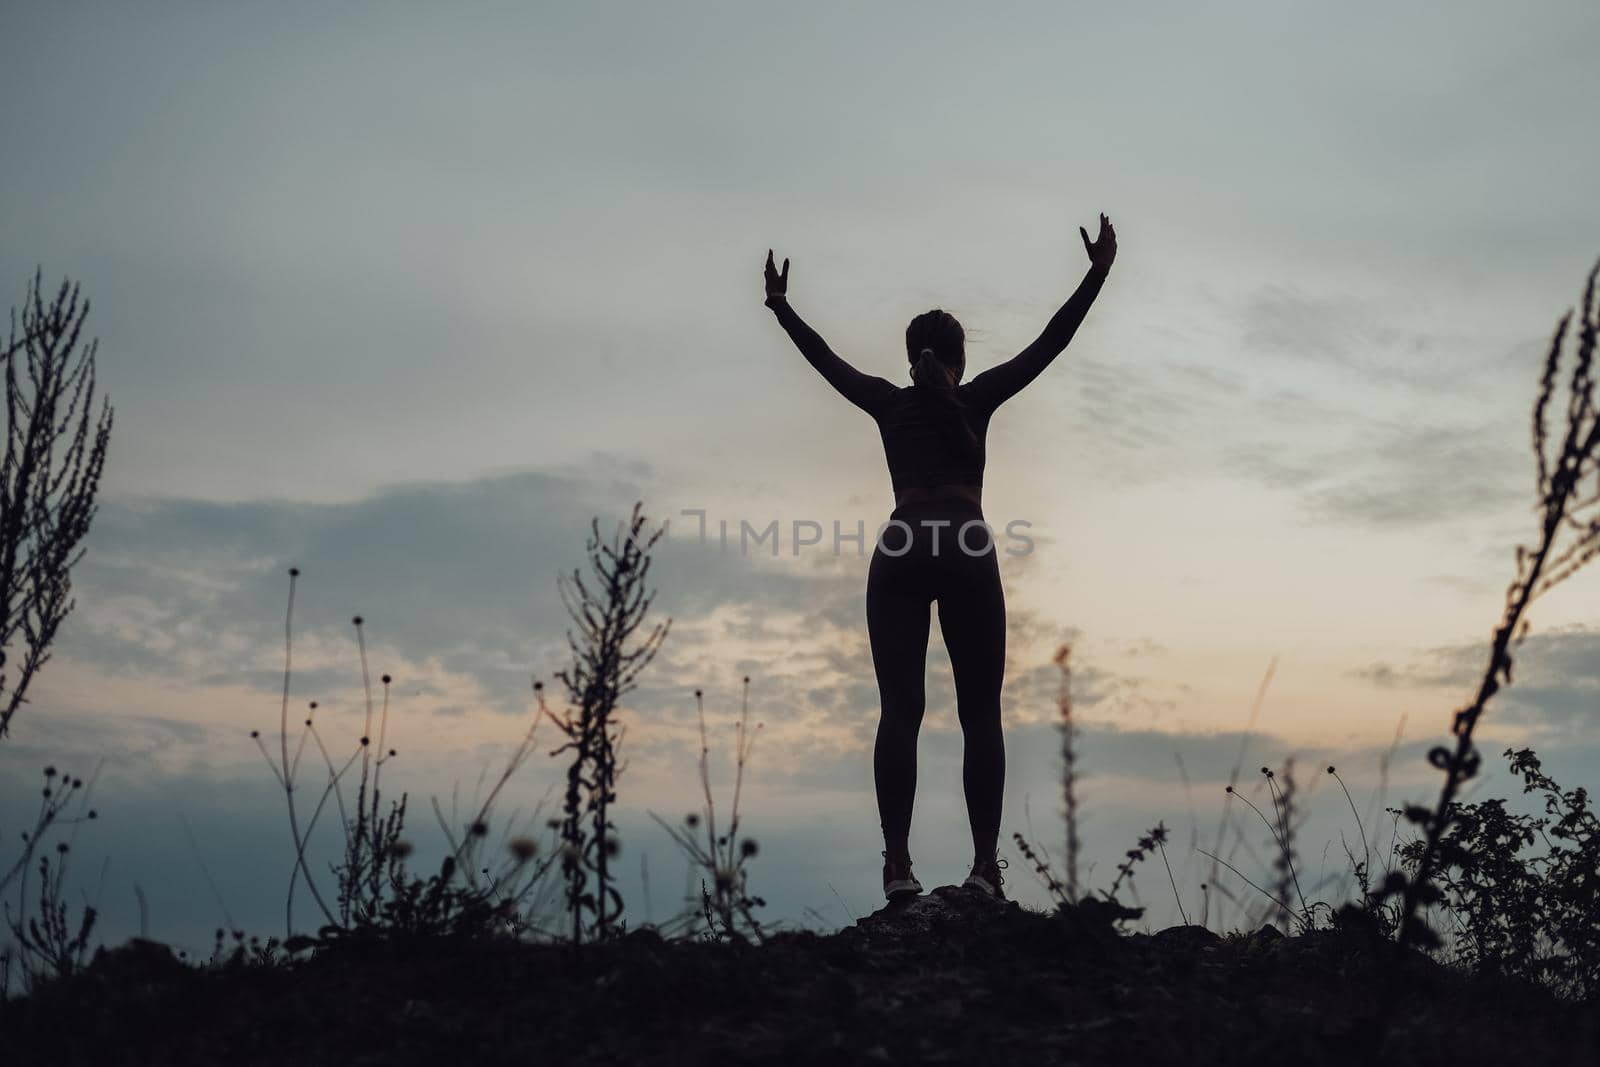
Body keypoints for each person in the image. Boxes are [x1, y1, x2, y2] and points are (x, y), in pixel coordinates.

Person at [763, 214, 1117, 901]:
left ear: (910, 356)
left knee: (900, 710)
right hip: (964, 540)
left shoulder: (888, 402)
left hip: (899, 543)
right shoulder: (977, 398)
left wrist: (781, 307)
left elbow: (824, 356)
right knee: (979, 712)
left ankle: (897, 865)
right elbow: (1052, 341)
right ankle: (985, 869)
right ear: (959, 357)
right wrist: (1097, 273)